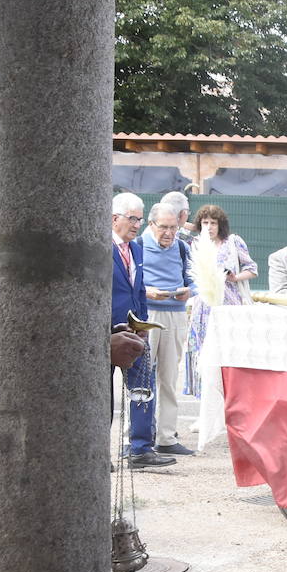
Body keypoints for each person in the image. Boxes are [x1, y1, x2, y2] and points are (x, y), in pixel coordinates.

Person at [111, 192, 174, 469]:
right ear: (114, 219)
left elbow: (137, 289)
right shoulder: (101, 247)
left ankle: (140, 449)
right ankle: (98, 453)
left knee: (142, 389)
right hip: (108, 333)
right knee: (100, 396)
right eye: (132, 218)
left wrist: (143, 324)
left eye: (139, 218)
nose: (137, 224)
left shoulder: (136, 249)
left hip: (135, 331)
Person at [185, 204, 256, 396]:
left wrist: (234, 277)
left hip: (229, 306)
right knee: (202, 356)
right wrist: (193, 227)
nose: (209, 227)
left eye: (213, 222)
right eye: (205, 222)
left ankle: (228, 405)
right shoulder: (195, 243)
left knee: (227, 355)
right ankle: (205, 408)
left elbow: (252, 268)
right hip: (203, 308)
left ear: (220, 224)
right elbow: (174, 230)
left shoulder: (232, 242)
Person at [141, 203, 194, 457]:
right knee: (141, 377)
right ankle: (139, 436)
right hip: (148, 313)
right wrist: (146, 291)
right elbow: (127, 279)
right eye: (163, 227)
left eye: (173, 227)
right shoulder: (137, 246)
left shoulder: (182, 247)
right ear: (151, 225)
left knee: (169, 378)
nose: (169, 233)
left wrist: (189, 291)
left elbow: (192, 279)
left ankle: (167, 436)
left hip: (175, 314)